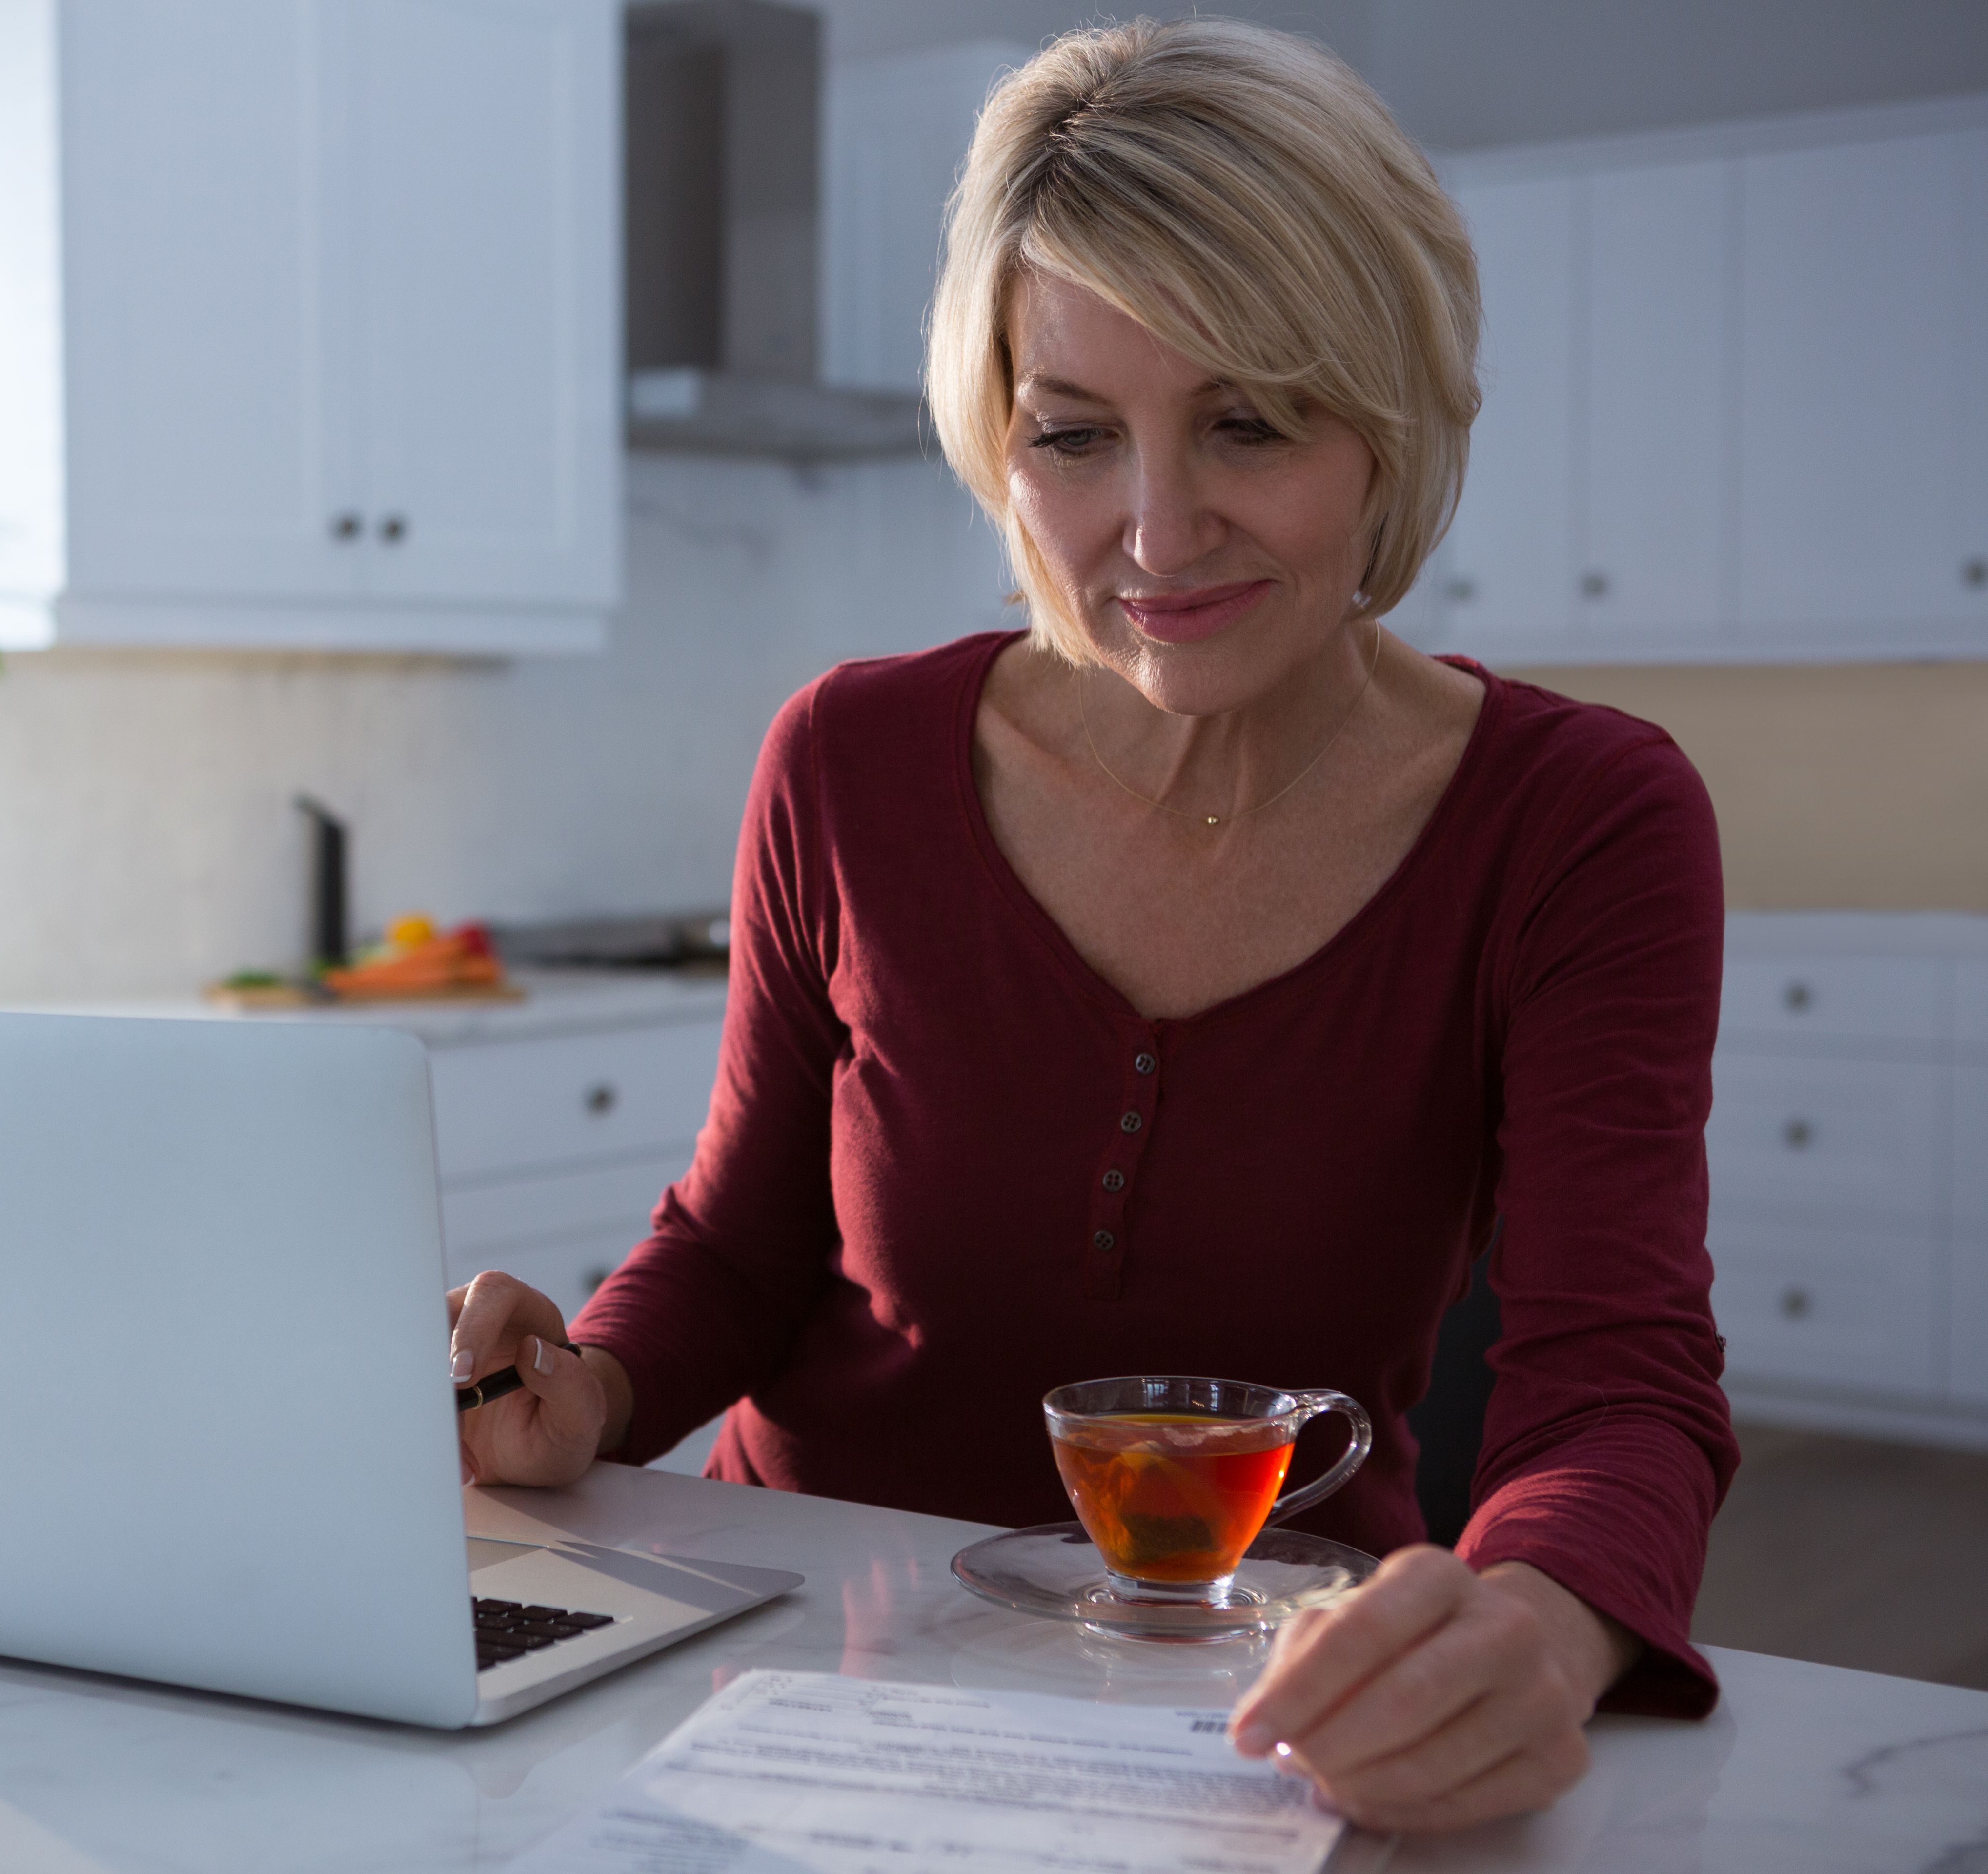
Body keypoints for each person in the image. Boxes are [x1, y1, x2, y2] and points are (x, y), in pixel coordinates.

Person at [447, 15, 1733, 1834]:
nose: (1154, 530)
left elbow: (1621, 1378)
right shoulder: (847, 754)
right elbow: (739, 1243)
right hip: (785, 1656)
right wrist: (586, 1386)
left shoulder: (1580, 820)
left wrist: (1536, 1622)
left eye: (1248, 420)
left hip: (1263, 1695)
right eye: (1071, 432)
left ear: (1390, 422)